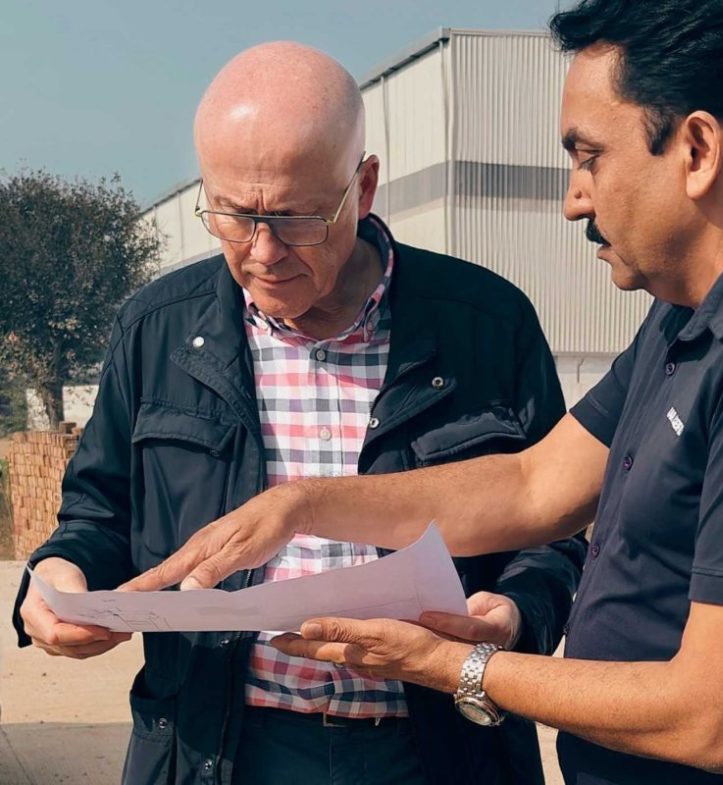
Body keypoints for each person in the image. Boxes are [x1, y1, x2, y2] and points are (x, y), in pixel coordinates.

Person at [125, 1, 723, 784]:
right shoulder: (692, 310)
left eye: (590, 156)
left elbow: (713, 716)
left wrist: (451, 665)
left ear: (697, 149)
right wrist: (303, 505)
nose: (572, 199)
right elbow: (535, 484)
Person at [12, 42, 585, 785]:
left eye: (296, 218)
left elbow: (555, 528)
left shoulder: (485, 325)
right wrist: (59, 577)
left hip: (435, 747)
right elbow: (97, 513)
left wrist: (514, 611)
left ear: (365, 186)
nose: (262, 251)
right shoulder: (156, 329)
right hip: (218, 744)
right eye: (232, 214)